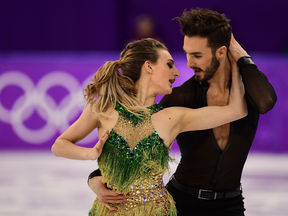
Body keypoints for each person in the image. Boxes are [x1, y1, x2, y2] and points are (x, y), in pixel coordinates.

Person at [87, 8, 277, 216]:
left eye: (196, 55)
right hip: (181, 202)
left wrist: (241, 56)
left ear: (221, 52)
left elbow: (266, 101)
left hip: (230, 204)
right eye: (187, 53)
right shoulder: (182, 97)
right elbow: (135, 137)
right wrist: (96, 176)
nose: (188, 63)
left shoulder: (248, 93)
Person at [51, 37, 247, 216]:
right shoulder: (102, 108)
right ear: (149, 66)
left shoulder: (172, 117)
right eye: (169, 65)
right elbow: (59, 145)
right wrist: (90, 155)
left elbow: (237, 110)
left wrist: (238, 62)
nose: (177, 73)